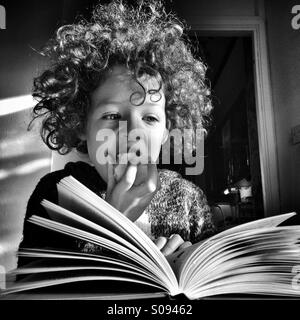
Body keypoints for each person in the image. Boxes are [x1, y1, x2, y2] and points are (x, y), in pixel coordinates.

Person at [20, 0, 215, 261]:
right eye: (111, 115)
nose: (132, 132)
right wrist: (113, 221)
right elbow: (32, 287)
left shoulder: (188, 198)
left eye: (150, 118)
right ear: (80, 126)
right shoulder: (55, 192)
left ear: (167, 131)